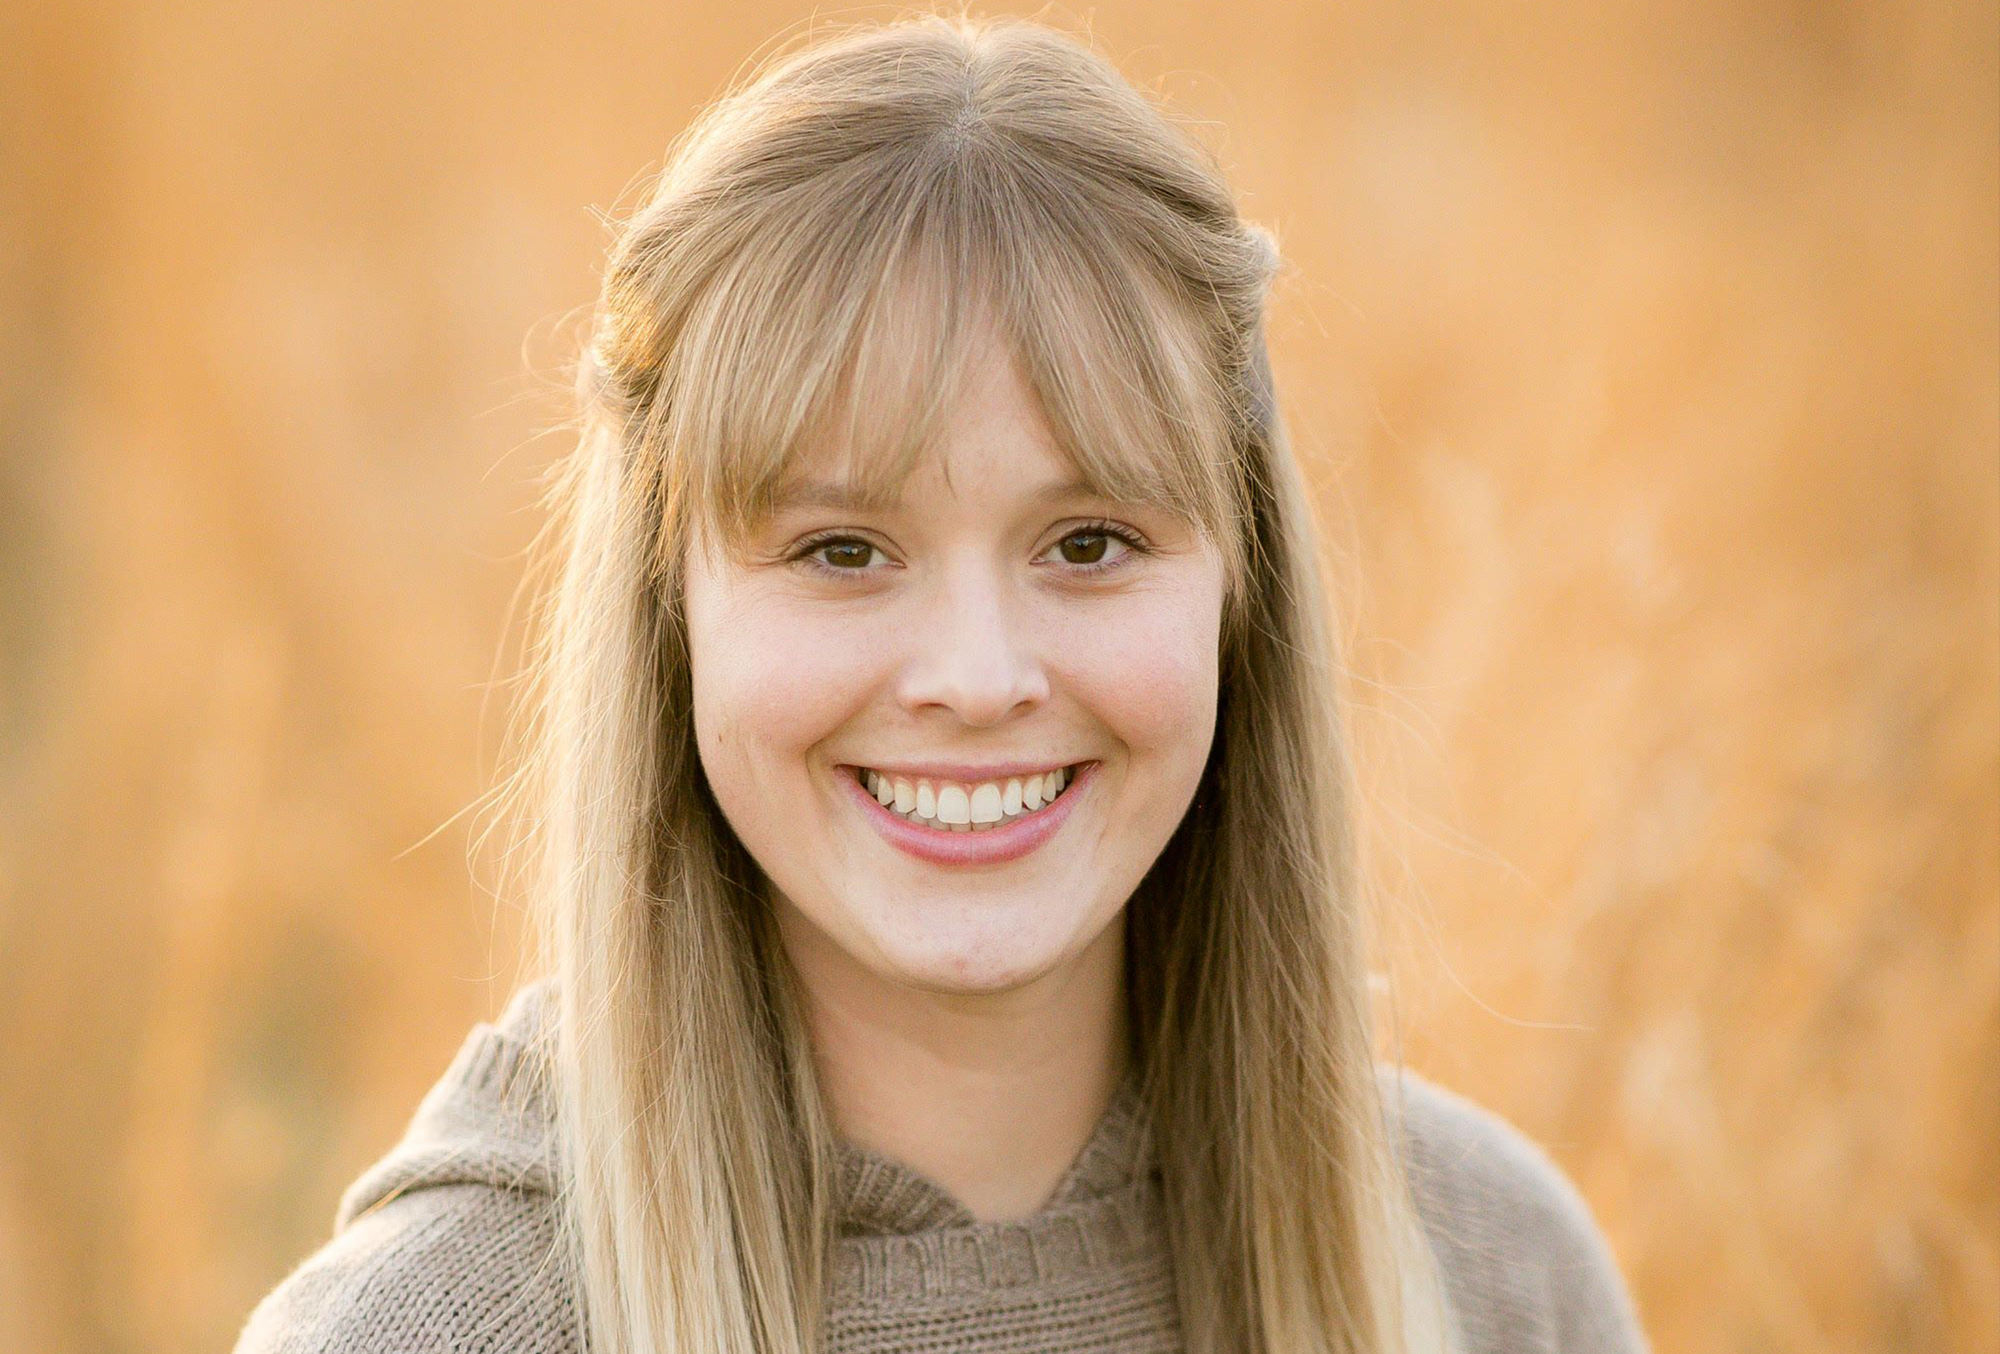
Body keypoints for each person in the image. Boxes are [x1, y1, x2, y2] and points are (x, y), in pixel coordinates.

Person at [233, 13, 1649, 1353]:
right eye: (843, 548)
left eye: (1088, 542)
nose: (977, 676)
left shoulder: (1488, 1273)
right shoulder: (433, 1327)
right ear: (671, 615)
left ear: (1242, 586)